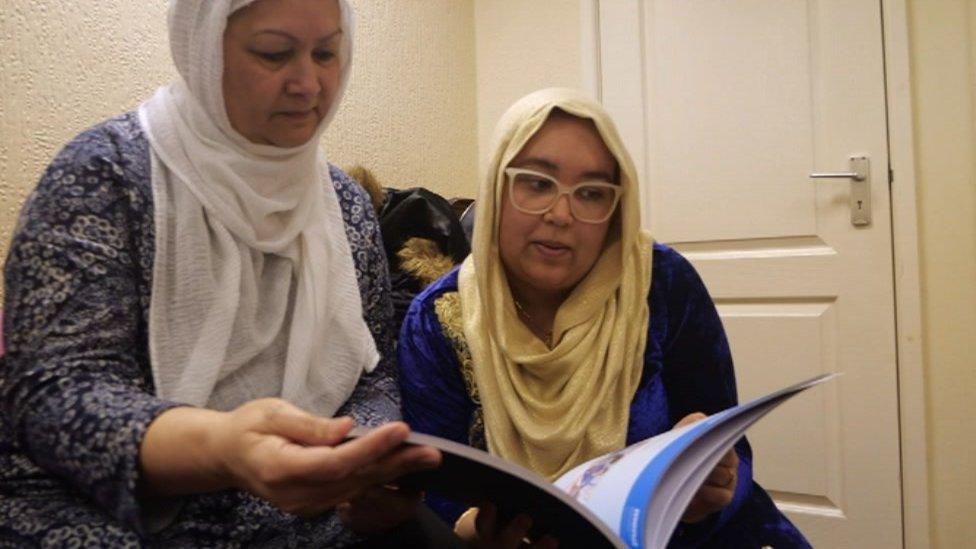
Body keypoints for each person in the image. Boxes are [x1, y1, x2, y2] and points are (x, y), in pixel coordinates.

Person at [0, 0, 446, 546]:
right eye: (273, 53)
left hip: (308, 514)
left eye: (327, 53)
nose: (308, 84)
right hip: (108, 513)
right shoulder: (105, 175)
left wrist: (359, 457)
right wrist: (223, 449)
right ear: (203, 48)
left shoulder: (345, 206)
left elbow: (371, 371)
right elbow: (54, 393)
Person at [397, 88, 811, 548]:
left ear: (615, 209)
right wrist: (477, 531)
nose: (561, 214)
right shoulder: (437, 320)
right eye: (536, 183)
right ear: (496, 187)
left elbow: (734, 460)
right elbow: (433, 493)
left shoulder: (661, 284)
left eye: (591, 193)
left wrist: (711, 486)